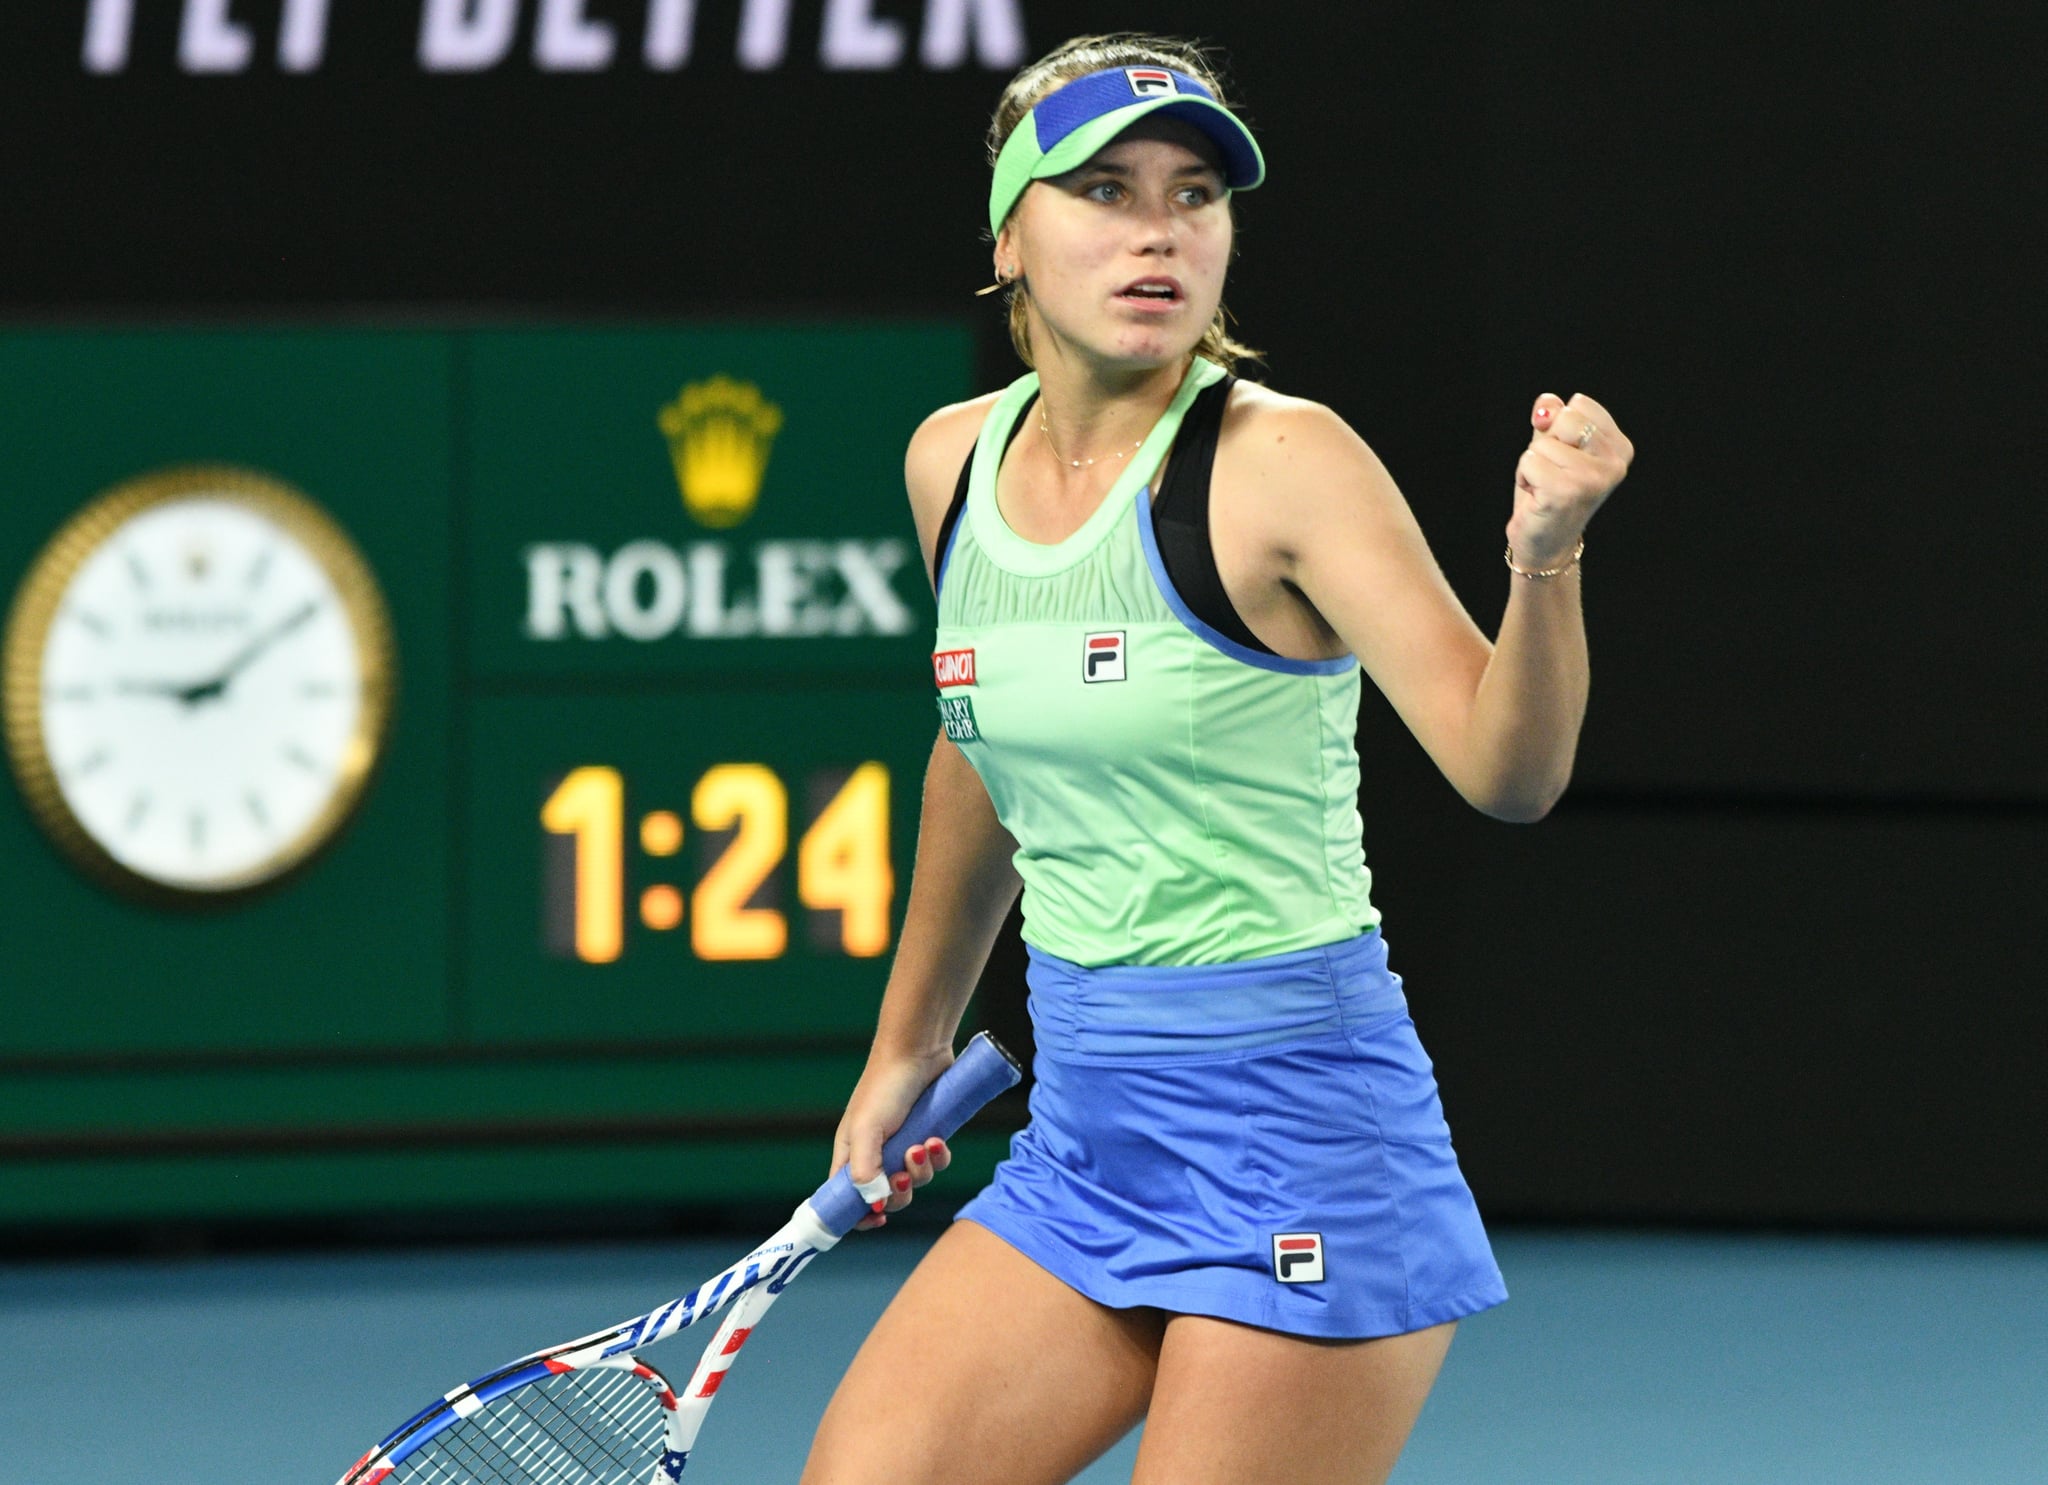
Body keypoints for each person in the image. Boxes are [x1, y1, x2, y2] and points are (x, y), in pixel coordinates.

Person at [802, 32, 1633, 1485]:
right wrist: (907, 1041)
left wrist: (1543, 562)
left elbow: (1511, 768)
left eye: (1195, 196)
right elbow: (980, 749)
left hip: (1304, 1131)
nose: (1158, 233)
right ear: (1010, 238)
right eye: (1106, 191)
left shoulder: (1283, 462)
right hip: (1087, 1139)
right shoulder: (953, 461)